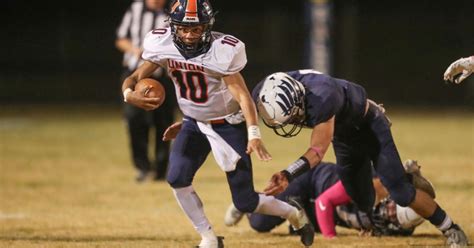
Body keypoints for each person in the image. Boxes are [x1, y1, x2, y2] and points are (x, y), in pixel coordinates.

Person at [121, 1, 314, 247]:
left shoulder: (221, 50)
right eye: (183, 29)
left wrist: (253, 134)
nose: (190, 35)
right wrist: (129, 95)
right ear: (173, 27)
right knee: (177, 178)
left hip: (227, 125)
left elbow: (243, 96)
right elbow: (134, 76)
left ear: (207, 27)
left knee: (245, 201)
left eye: (196, 29)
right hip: (193, 123)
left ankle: (293, 213)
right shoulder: (164, 46)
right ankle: (209, 238)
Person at [251, 70, 469, 247]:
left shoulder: (324, 96)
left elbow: (317, 151)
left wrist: (288, 173)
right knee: (363, 200)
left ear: (299, 98)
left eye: (293, 116)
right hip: (343, 137)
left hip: (368, 125)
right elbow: (243, 103)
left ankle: (450, 228)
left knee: (401, 193)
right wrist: (252, 133)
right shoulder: (264, 91)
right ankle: (402, 178)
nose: (292, 123)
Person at [225, 159, 432, 238]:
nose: (390, 216)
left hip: (320, 210)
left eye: (394, 218)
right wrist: (331, 238)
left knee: (303, 224)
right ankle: (246, 201)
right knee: (261, 223)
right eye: (392, 210)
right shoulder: (368, 184)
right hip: (311, 183)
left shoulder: (403, 226)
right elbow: (326, 201)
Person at [115, 0, 176, 182]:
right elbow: (121, 39)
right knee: (134, 119)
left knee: (164, 123)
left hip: (163, 76)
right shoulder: (136, 8)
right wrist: (135, 50)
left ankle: (161, 169)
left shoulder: (173, 13)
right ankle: (142, 167)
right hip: (136, 72)